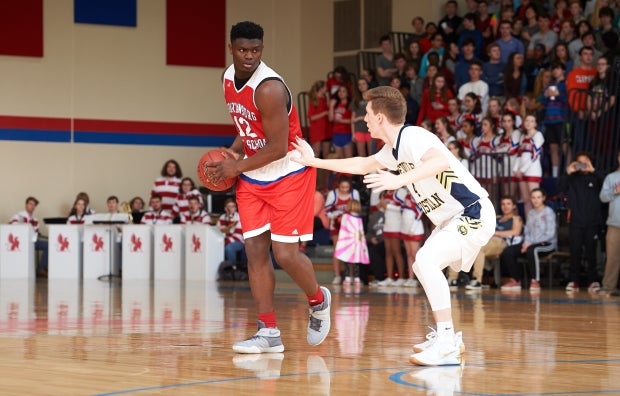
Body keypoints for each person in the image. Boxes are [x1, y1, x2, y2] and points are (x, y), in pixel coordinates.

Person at [292, 85, 496, 366]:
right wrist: (313, 161)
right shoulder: (394, 149)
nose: (364, 119)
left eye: (367, 114)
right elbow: (363, 164)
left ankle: (447, 339)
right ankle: (448, 337)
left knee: (425, 261)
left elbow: (438, 161)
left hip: (472, 212)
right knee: (421, 265)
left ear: (380, 118)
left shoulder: (413, 136)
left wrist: (398, 180)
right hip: (453, 218)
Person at [211, 21, 331, 353]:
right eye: (242, 50)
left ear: (261, 49)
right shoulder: (227, 79)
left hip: (288, 172)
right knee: (254, 251)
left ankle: (319, 301)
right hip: (253, 174)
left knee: (286, 254)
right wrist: (236, 150)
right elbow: (248, 125)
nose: (249, 56)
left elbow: (278, 147)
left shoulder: (270, 88)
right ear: (231, 48)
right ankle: (269, 332)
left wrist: (235, 165)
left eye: (255, 50)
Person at [558, 152, 604, 292]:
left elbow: (605, 185)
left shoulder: (596, 177)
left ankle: (593, 280)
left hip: (592, 221)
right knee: (575, 252)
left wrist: (593, 170)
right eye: (580, 162)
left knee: (591, 252)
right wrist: (568, 172)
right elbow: (560, 188)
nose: (582, 165)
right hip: (576, 221)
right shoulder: (572, 178)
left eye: (585, 162)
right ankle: (574, 281)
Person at [500, 188, 557, 291]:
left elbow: (550, 234)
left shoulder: (549, 212)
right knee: (509, 251)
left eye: (538, 197)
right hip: (530, 243)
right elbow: (527, 231)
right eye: (533, 197)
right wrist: (526, 242)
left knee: (532, 250)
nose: (536, 200)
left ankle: (535, 281)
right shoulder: (531, 213)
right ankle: (515, 280)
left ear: (543, 198)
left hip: (547, 244)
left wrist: (530, 243)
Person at [325, 176, 361, 283]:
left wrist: (346, 216)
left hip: (351, 225)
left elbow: (357, 209)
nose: (345, 190)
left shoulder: (354, 194)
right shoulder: (333, 194)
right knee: (337, 250)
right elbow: (327, 211)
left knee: (351, 250)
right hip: (336, 225)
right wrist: (337, 215)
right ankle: (337, 275)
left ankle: (352, 275)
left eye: (347, 187)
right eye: (342, 187)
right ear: (338, 186)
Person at [334, 199, 369, 288]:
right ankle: (354, 277)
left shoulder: (348, 217)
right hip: (354, 241)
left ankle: (350, 277)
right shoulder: (354, 218)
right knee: (354, 261)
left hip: (352, 242)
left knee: (350, 261)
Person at [599, 149, 620, 296]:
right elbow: (603, 197)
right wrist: (615, 191)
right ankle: (608, 287)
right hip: (614, 224)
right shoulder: (611, 177)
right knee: (612, 257)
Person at [9, 196, 48, 276]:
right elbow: (12, 224)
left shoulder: (35, 220)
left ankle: (40, 269)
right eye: (30, 204)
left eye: (34, 205)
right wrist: (25, 225)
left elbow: (35, 234)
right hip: (20, 242)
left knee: (49, 245)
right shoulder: (19, 215)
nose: (32, 206)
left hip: (33, 241)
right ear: (26, 205)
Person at [306, 80, 332, 159]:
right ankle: (314, 171)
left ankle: (326, 171)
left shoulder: (325, 98)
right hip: (317, 129)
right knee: (316, 151)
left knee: (326, 153)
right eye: (325, 87)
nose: (327, 89)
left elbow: (329, 108)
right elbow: (311, 117)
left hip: (326, 128)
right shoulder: (314, 100)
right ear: (321, 88)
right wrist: (324, 113)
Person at [217, 198, 244, 262]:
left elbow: (238, 237)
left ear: (235, 208)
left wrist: (224, 242)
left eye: (233, 206)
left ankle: (232, 268)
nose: (230, 209)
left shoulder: (239, 217)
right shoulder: (222, 217)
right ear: (225, 208)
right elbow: (217, 233)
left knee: (229, 248)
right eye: (228, 206)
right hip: (224, 241)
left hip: (239, 242)